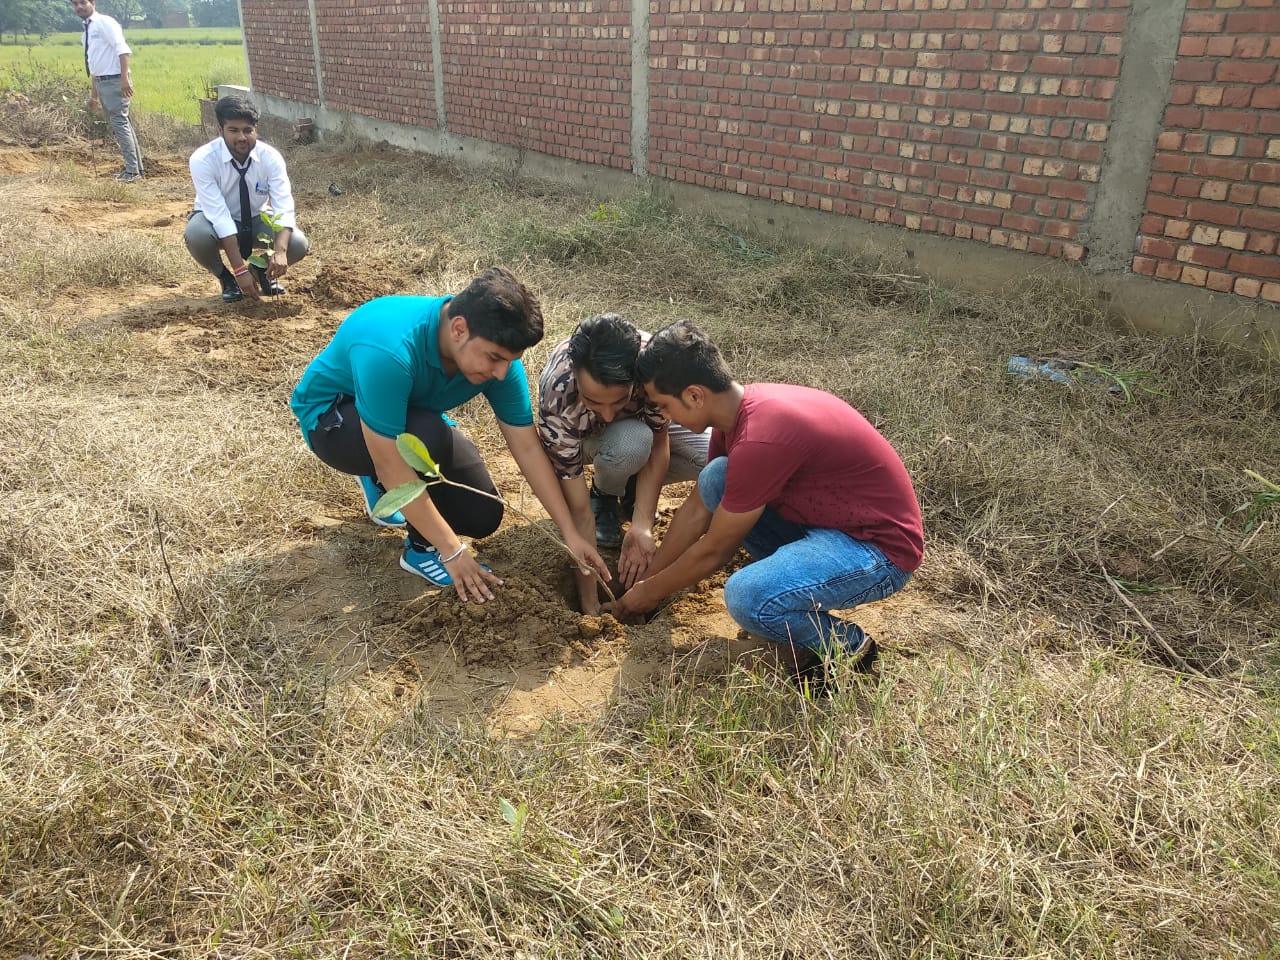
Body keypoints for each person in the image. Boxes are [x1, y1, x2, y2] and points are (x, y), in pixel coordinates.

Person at [611, 320, 924, 687]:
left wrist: (646, 595)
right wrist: (647, 579)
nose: (665, 416)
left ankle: (852, 649)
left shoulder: (762, 437)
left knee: (748, 597)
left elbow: (715, 550)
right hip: (829, 526)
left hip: (878, 552)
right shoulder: (737, 415)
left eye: (665, 404)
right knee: (716, 476)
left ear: (694, 395)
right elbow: (697, 510)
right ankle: (787, 594)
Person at [289, 268, 611, 604]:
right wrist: (452, 551)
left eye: (510, 361)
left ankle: (385, 473)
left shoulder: (498, 359)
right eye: (495, 358)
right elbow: (392, 461)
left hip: (406, 418)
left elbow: (528, 447)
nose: (501, 372)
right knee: (424, 437)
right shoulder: (390, 350)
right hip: (334, 419)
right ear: (459, 328)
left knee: (482, 515)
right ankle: (419, 549)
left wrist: (570, 534)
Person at [537, 313, 710, 613]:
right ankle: (604, 495)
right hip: (591, 440)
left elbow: (659, 442)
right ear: (577, 376)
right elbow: (578, 512)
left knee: (711, 457)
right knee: (630, 442)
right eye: (594, 401)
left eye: (617, 401)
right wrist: (590, 606)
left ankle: (632, 493)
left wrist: (642, 524)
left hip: (645, 428)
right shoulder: (558, 393)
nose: (606, 414)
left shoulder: (653, 369)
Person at [184, 94, 309, 303]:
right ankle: (226, 279)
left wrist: (280, 252)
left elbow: (283, 206)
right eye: (233, 130)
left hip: (255, 217)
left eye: (248, 130)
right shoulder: (203, 159)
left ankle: (261, 271)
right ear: (220, 130)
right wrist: (238, 270)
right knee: (197, 235)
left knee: (297, 243)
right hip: (213, 220)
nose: (241, 137)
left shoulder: (270, 158)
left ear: (256, 129)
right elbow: (219, 215)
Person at [73, 0, 142, 182]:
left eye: (82, 2)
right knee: (122, 123)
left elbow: (122, 50)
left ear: (92, 3)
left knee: (120, 123)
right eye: (75, 4)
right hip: (102, 82)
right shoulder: (86, 32)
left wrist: (124, 78)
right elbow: (95, 66)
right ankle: (135, 169)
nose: (79, 7)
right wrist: (93, 96)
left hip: (114, 80)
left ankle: (132, 172)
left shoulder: (104, 23)